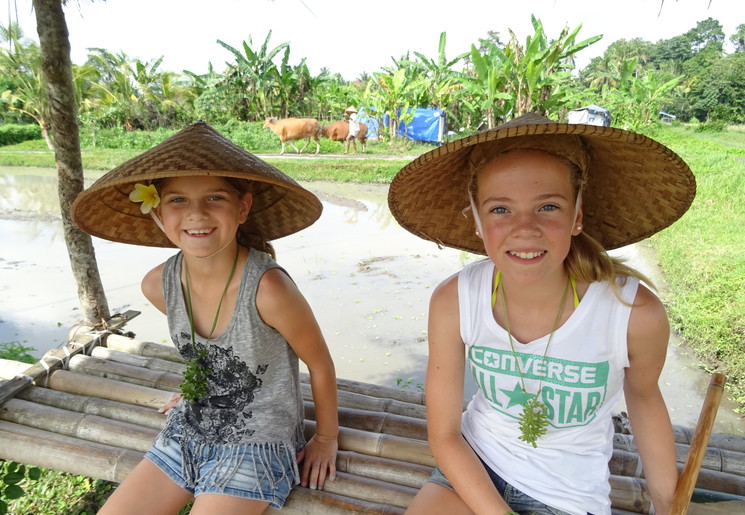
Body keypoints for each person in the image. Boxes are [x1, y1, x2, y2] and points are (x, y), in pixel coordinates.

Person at [387, 113, 697, 515]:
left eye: (548, 206)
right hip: (475, 464)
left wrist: (668, 503)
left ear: (577, 216)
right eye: (500, 210)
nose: (525, 228)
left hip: (567, 492)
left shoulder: (632, 313)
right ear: (478, 222)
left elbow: (644, 397)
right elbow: (445, 434)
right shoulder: (455, 300)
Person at [71, 122, 339, 514]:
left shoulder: (269, 290)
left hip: (257, 442)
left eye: (214, 197)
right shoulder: (157, 285)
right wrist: (207, 385)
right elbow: (214, 353)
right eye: (178, 200)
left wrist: (326, 438)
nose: (196, 214)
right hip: (188, 428)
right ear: (158, 212)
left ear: (243, 207)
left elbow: (320, 364)